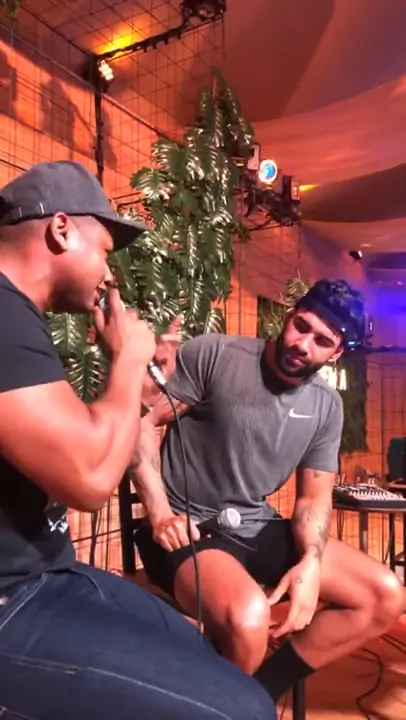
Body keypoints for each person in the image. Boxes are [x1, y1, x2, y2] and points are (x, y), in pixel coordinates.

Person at [0, 160, 276, 720]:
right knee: (242, 710)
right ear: (61, 230)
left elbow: (87, 440)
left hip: (45, 573)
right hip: (12, 598)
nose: (110, 274)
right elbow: (89, 480)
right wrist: (128, 360)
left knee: (203, 654)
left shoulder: (17, 316)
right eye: (106, 251)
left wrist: (136, 388)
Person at [134, 278, 405, 703]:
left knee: (383, 595)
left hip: (254, 525)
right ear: (289, 315)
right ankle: (218, 708)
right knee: (249, 618)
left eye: (322, 340)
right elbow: (140, 422)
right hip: (187, 527)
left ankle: (256, 696)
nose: (303, 344)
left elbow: (313, 497)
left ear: (336, 352)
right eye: (302, 326)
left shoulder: (326, 406)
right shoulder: (217, 355)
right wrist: (159, 512)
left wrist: (312, 560)